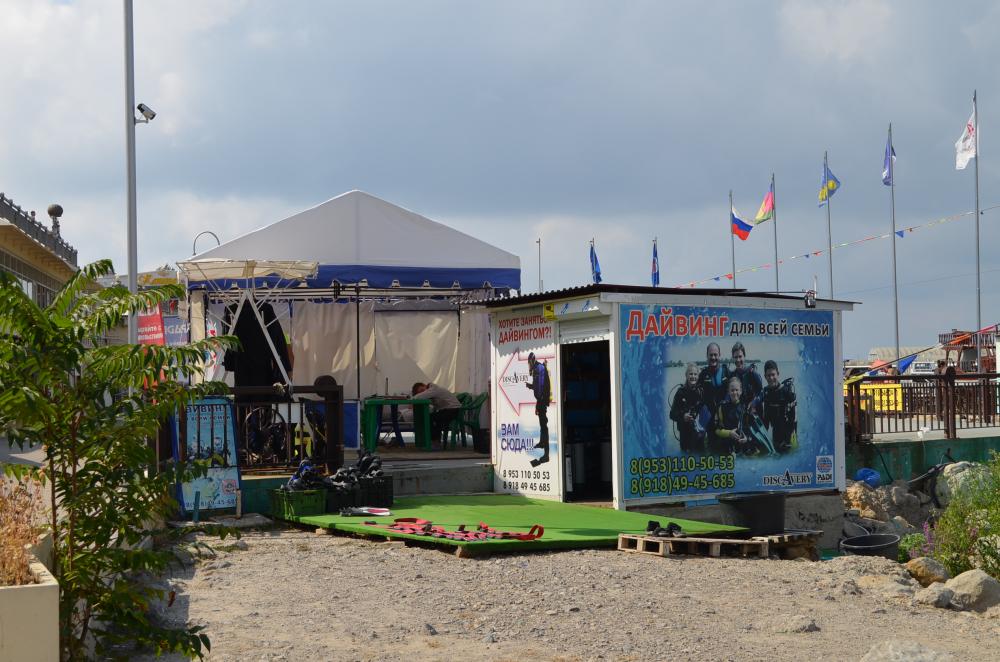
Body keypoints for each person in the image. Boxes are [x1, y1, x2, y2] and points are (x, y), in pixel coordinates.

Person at [757, 360, 797, 454]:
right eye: (768, 375)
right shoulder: (766, 392)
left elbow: (793, 417)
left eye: (773, 374)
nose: (771, 378)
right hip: (775, 432)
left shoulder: (786, 392)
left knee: (787, 453)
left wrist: (790, 437)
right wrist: (762, 438)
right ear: (765, 376)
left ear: (778, 374)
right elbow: (766, 418)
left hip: (788, 431)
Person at [411, 382, 462, 447]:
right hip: (449, 410)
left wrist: (411, 398)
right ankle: (435, 440)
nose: (423, 392)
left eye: (422, 390)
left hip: (453, 410)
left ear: (424, 385)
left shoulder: (433, 389)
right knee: (431, 417)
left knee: (428, 418)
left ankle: (434, 440)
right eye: (421, 392)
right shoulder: (432, 391)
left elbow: (418, 397)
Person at [669, 363, 706, 453]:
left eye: (695, 374)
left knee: (701, 455)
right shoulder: (680, 392)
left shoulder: (701, 391)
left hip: (699, 432)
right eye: (690, 374)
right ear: (686, 375)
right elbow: (672, 414)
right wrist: (683, 416)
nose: (693, 376)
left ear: (698, 376)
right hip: (685, 433)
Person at [526, 352, 551, 467]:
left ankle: (546, 455)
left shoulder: (539, 369)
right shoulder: (537, 368)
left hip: (542, 400)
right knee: (542, 423)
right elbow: (537, 386)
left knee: (544, 425)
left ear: (532, 361)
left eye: (529, 362)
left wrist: (540, 402)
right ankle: (542, 442)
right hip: (540, 400)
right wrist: (530, 386)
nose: (529, 365)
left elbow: (541, 387)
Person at [710, 376, 747, 455]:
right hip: (726, 445)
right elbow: (716, 430)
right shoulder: (722, 407)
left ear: (741, 391)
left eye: (737, 390)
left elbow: (749, 428)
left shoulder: (745, 408)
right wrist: (729, 433)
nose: (734, 393)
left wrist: (746, 438)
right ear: (728, 392)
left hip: (741, 445)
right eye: (732, 390)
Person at [697, 342, 730, 413]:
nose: (713, 357)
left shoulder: (726, 371)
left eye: (715, 355)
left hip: (725, 412)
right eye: (711, 355)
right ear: (707, 356)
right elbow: (693, 391)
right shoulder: (702, 374)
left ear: (719, 355)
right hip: (709, 414)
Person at [730, 342, 762, 406]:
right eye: (736, 357)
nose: (738, 360)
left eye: (740, 356)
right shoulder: (732, 375)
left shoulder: (752, 373)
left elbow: (761, 393)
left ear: (744, 356)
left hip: (753, 408)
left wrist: (754, 402)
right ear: (733, 358)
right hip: (739, 409)